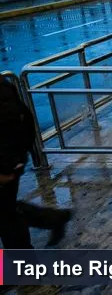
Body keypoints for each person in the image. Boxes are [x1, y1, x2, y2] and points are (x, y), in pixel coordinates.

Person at [0, 78, 72, 249]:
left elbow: (11, 129)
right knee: (7, 213)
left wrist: (6, 167)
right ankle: (54, 219)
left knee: (7, 219)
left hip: (6, 166)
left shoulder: (2, 92)